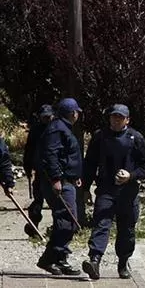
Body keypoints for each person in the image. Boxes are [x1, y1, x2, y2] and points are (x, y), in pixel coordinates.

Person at [81, 104, 145, 281]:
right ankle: (95, 260)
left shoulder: (135, 138)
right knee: (101, 224)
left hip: (128, 192)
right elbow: (89, 164)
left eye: (120, 117)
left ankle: (123, 263)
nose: (116, 120)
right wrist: (84, 189)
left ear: (127, 120)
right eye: (113, 117)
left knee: (127, 229)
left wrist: (131, 175)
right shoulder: (100, 137)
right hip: (106, 190)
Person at [37, 98, 84, 276]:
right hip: (59, 183)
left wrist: (75, 176)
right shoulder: (57, 129)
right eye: (77, 112)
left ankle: (61, 259)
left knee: (67, 221)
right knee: (67, 221)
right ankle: (48, 259)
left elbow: (66, 156)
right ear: (73, 113)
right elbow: (51, 155)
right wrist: (56, 179)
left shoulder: (62, 128)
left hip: (68, 181)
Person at [24, 104, 55, 238]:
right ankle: (33, 227)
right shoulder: (36, 130)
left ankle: (58, 229)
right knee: (38, 201)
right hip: (40, 172)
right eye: (44, 117)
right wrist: (28, 168)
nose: (47, 119)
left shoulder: (57, 129)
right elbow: (29, 151)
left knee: (57, 202)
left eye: (49, 116)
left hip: (55, 173)